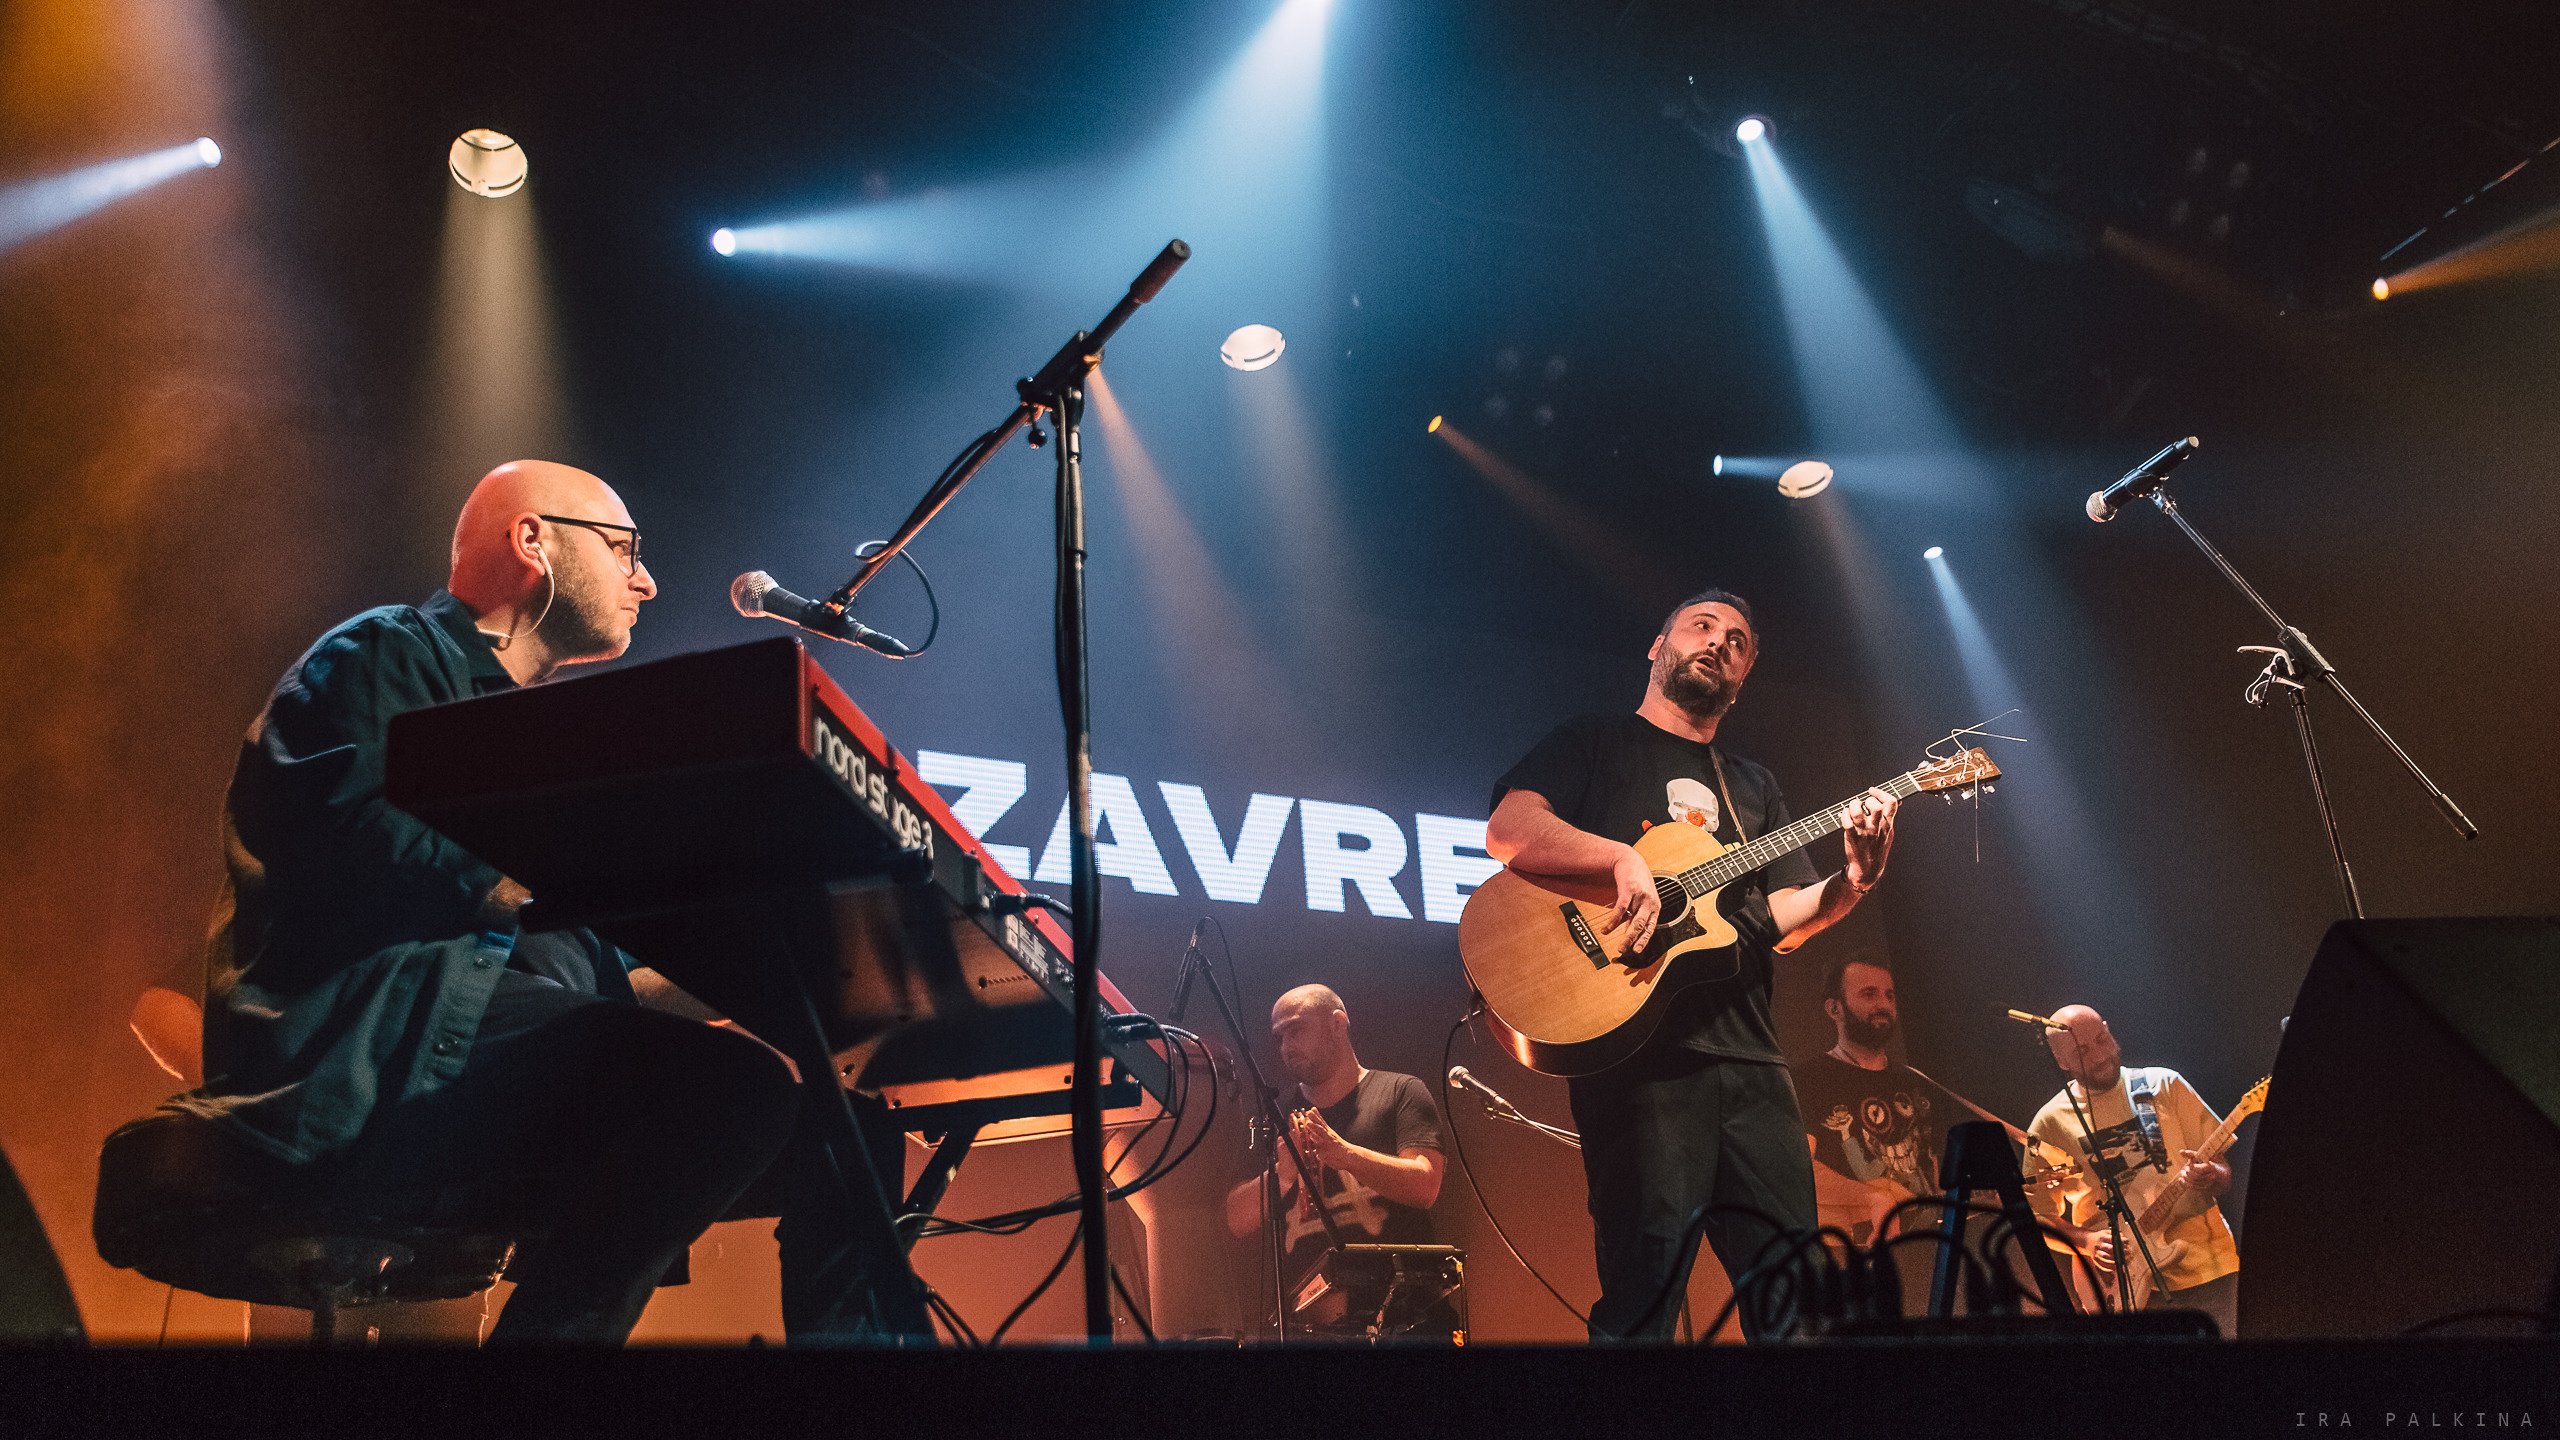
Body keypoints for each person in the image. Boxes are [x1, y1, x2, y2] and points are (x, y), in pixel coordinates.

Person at [183, 460, 833, 1344]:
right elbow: (374, 842)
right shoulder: (382, 654)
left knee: (841, 1131)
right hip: (379, 1056)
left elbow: (585, 988)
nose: (645, 580)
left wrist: (768, 969)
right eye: (625, 550)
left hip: (490, 1066)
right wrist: (596, 856)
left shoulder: (542, 745)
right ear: (534, 540)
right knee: (735, 1092)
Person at [1484, 589, 1899, 1342]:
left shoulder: (1754, 787)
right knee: (1646, 1303)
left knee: (1797, 1301)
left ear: (1742, 676)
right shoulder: (1593, 742)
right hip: (1638, 1061)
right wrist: (1621, 862)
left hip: (1752, 1063)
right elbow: (1509, 830)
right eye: (1702, 627)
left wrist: (1855, 883)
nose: (1719, 643)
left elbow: (1788, 916)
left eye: (1738, 640)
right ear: (1658, 646)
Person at [1224, 985, 1446, 1335]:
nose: (1285, 1047)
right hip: (1307, 1328)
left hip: (1406, 1320)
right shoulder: (1274, 1117)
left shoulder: (1400, 1091)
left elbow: (1426, 1184)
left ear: (1337, 1025)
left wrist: (1345, 1154)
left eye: (1296, 1030)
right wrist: (1280, 1174)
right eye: (1279, 1037)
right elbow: (1235, 1218)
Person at [2027, 1004, 2239, 1333]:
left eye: (2102, 1039)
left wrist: (2213, 1176)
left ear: (2110, 1030)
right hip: (2122, 1288)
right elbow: (2036, 1219)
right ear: (2061, 1061)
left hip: (2209, 1270)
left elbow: (2223, 1172)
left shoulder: (2165, 1084)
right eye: (2082, 1050)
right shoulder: (2048, 1124)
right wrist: (2085, 1241)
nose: (2099, 1056)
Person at [1795, 951, 1964, 1245]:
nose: (1883, 1005)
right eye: (1869, 994)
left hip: (1927, 1247)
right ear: (1835, 1009)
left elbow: (1934, 1176)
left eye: (1889, 995)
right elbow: (1797, 1172)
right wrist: (1872, 1197)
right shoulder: (1810, 1079)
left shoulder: (1915, 1081)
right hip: (1856, 1250)